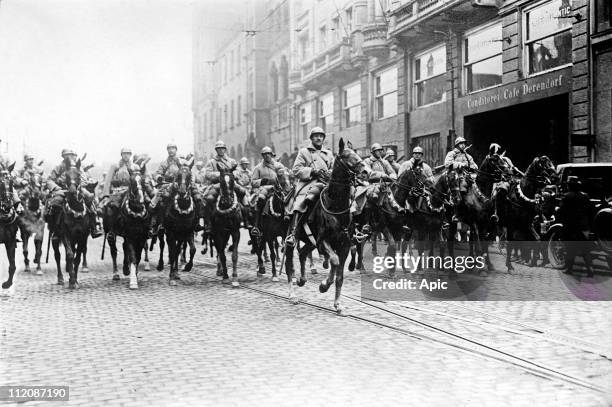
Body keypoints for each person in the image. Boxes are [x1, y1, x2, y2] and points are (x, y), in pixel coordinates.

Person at [284, 127, 333, 247]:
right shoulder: (304, 152)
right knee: (301, 201)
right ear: (311, 138)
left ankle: (350, 229)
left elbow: (333, 168)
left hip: (326, 182)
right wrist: (312, 171)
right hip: (308, 183)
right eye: (316, 136)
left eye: (321, 136)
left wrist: (329, 173)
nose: (319, 138)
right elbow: (296, 169)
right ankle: (294, 233)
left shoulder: (329, 153)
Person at [45, 148, 103, 238]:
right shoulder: (59, 167)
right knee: (56, 203)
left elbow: (84, 179)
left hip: (78, 189)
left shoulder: (78, 167)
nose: (70, 157)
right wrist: (56, 188)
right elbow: (49, 180)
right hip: (62, 189)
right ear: (63, 156)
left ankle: (94, 226)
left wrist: (81, 185)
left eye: (72, 155)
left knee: (90, 199)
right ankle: (56, 229)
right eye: (67, 155)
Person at [149, 143, 204, 236]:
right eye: (169, 148)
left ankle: (196, 222)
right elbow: (157, 173)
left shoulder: (182, 161)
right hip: (167, 184)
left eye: (173, 148)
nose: (171, 150)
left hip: (183, 184)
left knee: (198, 197)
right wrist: (159, 177)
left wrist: (190, 180)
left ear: (176, 150)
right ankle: (159, 223)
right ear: (167, 150)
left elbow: (188, 171)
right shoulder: (164, 163)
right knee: (161, 199)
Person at [99, 148, 151, 234]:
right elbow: (108, 181)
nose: (126, 155)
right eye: (124, 153)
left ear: (130, 155)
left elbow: (140, 179)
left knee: (148, 203)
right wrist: (106, 195)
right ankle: (111, 230)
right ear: (121, 155)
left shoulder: (135, 167)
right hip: (118, 191)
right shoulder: (115, 166)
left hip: (133, 190)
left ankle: (148, 228)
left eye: (128, 153)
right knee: (112, 207)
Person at [202, 140, 251, 232]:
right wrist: (221, 175)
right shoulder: (212, 161)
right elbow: (207, 174)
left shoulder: (231, 161)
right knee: (209, 198)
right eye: (219, 149)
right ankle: (208, 223)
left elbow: (237, 171)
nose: (221, 151)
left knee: (243, 194)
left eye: (222, 149)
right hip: (217, 184)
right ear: (216, 150)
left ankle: (245, 220)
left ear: (225, 150)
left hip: (231, 183)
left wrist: (232, 175)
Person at [557, 176, 594, 277]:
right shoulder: (585, 196)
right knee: (585, 249)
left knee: (570, 248)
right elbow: (591, 211)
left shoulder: (566, 196)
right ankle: (590, 269)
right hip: (583, 227)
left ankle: (569, 268)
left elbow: (561, 211)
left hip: (570, 227)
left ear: (569, 186)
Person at [250, 146, 287, 236]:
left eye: (268, 154)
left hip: (278, 188)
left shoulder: (279, 165)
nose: (267, 156)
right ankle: (256, 225)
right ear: (262, 156)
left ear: (271, 154)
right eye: (265, 154)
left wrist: (283, 179)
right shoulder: (258, 167)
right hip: (264, 188)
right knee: (261, 199)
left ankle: (289, 222)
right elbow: (253, 182)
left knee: (288, 200)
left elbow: (286, 177)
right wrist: (262, 181)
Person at [397, 146, 434, 212]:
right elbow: (399, 177)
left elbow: (431, 178)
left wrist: (425, 180)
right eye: (415, 153)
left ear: (422, 155)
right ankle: (406, 211)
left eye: (419, 153)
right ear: (413, 154)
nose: (417, 155)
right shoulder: (405, 164)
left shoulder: (426, 167)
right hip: (408, 188)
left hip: (422, 188)